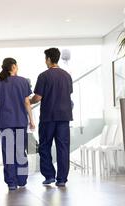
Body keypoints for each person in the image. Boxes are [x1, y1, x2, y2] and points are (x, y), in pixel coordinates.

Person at [30, 48, 73, 188]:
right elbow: (68, 94)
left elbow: (38, 97)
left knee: (44, 146)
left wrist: (28, 102)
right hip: (64, 117)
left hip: (48, 117)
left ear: (48, 59)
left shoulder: (44, 76)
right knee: (63, 148)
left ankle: (49, 176)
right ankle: (61, 179)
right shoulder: (67, 76)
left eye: (45, 58)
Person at [0, 58, 35, 191]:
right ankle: (22, 180)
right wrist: (31, 120)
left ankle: (11, 182)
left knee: (8, 152)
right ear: (14, 66)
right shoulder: (23, 81)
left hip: (5, 122)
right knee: (20, 151)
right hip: (20, 121)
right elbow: (27, 102)